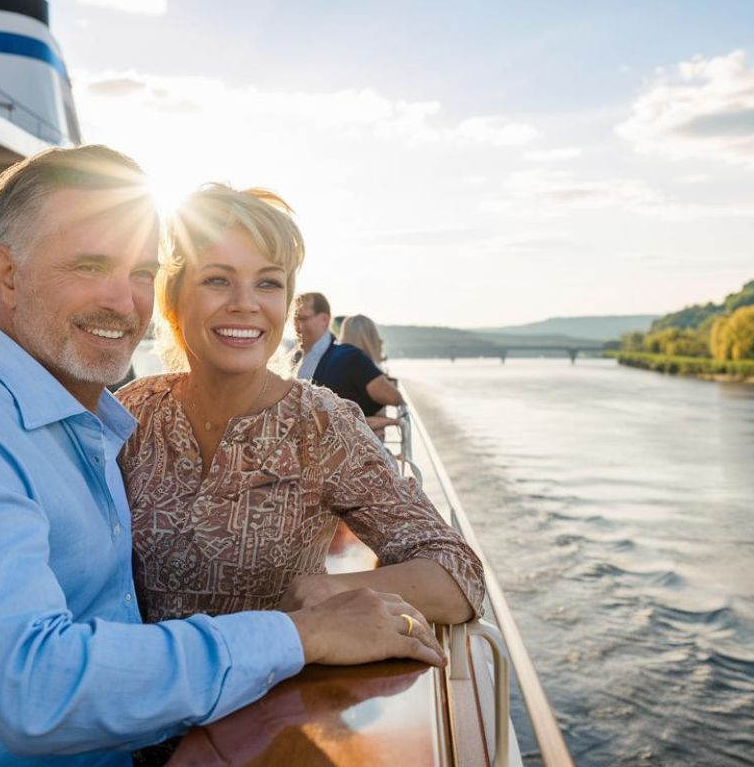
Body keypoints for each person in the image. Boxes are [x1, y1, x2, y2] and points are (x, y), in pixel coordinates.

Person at [0, 146, 445, 766]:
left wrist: (320, 599)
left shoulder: (93, 427)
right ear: (7, 275)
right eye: (89, 266)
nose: (122, 303)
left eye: (139, 273)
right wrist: (302, 634)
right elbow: (36, 689)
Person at [117, 184, 484, 626]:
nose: (245, 304)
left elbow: (459, 576)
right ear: (173, 298)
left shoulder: (320, 426)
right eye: (217, 279)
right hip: (145, 688)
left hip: (281, 692)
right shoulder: (134, 412)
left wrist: (332, 591)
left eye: (268, 283)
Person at [293, 292, 405, 421]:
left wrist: (389, 422)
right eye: (295, 319)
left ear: (324, 319)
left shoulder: (350, 357)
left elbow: (393, 398)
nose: (297, 325)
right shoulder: (294, 358)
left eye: (303, 318)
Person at [338, 314, 400, 433]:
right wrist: (391, 421)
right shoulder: (361, 366)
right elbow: (395, 399)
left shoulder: (338, 363)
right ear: (371, 338)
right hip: (361, 444)